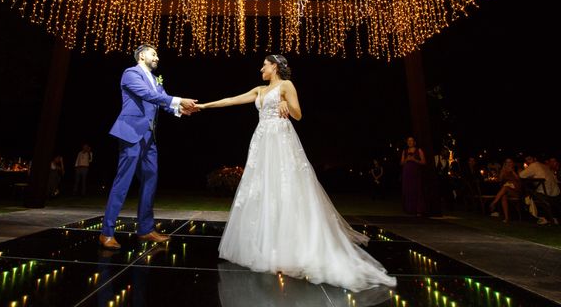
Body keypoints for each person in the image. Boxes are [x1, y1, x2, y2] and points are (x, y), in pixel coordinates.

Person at [196, 54, 396, 292]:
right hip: (262, 140)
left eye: (265, 65)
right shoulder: (259, 90)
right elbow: (231, 100)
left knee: (286, 187)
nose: (261, 68)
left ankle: (293, 246)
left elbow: (299, 114)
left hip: (281, 139)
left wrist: (286, 105)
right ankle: (267, 246)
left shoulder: (286, 85)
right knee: (262, 190)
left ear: (275, 67)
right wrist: (203, 106)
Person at [99, 44, 198, 250]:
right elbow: (148, 96)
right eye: (154, 54)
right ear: (142, 55)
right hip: (131, 133)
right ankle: (106, 232)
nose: (158, 58)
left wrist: (180, 110)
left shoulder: (155, 80)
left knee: (151, 180)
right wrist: (179, 99)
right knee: (123, 181)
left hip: (149, 137)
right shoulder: (131, 73)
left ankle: (146, 229)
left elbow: (161, 102)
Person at [400, 136, 426, 215]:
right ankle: (409, 209)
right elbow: (401, 163)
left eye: (411, 140)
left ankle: (418, 209)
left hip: (415, 173)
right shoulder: (405, 151)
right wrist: (406, 159)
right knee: (407, 190)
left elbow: (424, 162)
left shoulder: (419, 150)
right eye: (408, 140)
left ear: (414, 142)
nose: (409, 142)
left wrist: (414, 160)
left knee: (416, 189)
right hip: (407, 173)